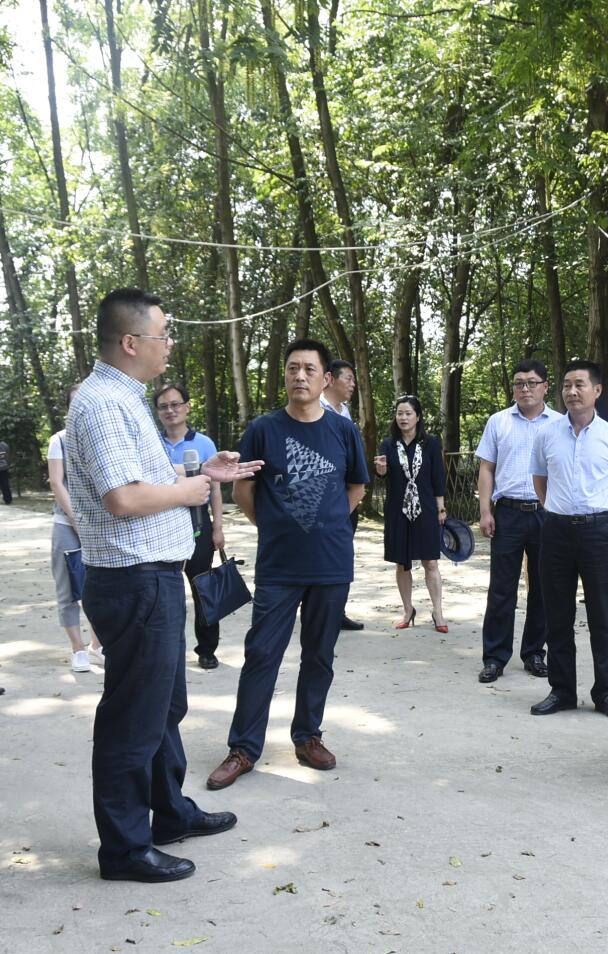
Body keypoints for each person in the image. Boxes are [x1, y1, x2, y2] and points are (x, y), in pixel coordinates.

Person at [65, 287, 260, 883]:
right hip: (133, 581)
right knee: (133, 718)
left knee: (163, 708)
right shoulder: (103, 403)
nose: (170, 343)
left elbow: (138, 474)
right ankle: (125, 849)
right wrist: (186, 492)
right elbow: (122, 498)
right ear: (131, 342)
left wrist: (202, 472)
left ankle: (169, 812)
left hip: (151, 578)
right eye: (162, 334)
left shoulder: (124, 398)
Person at [207, 339, 369, 790]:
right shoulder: (263, 429)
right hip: (278, 565)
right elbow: (243, 491)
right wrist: (278, 527)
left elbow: (356, 487)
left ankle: (308, 737)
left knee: (319, 655)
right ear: (285, 375)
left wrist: (327, 525)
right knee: (262, 654)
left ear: (325, 379)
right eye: (293, 368)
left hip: (331, 564)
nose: (300, 376)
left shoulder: (343, 431)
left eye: (309, 369)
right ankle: (244, 748)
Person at [529, 360, 608, 719]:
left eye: (580, 385)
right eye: (567, 385)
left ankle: (607, 692)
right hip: (556, 530)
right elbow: (540, 480)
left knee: (602, 614)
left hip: (599, 532)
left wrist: (601, 516)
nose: (572, 392)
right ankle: (562, 690)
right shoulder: (546, 434)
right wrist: (557, 510)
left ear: (597, 391)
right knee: (557, 615)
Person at [474, 360, 559, 683]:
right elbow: (487, 468)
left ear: (545, 387)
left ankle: (534, 652)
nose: (525, 388)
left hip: (546, 513)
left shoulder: (560, 424)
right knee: (501, 588)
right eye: (519, 383)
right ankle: (495, 657)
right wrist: (485, 511)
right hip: (507, 512)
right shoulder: (498, 421)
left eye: (532, 382)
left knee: (543, 587)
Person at [154, 382, 225, 669]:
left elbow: (216, 489)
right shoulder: (152, 444)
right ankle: (168, 650)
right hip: (160, 525)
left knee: (202, 589)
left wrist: (217, 528)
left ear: (187, 407)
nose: (170, 410)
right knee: (165, 593)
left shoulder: (204, 444)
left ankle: (207, 649)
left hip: (198, 524)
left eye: (175, 404)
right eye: (163, 406)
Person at [372, 395, 449, 631]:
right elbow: (383, 476)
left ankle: (438, 612)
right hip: (397, 510)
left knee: (431, 562)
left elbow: (438, 476)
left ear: (418, 416)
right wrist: (380, 470)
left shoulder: (431, 443)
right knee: (401, 564)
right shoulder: (388, 444)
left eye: (408, 413)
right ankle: (408, 610)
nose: (403, 417)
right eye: (399, 413)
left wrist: (441, 508)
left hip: (426, 509)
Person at [47, 383, 105, 672]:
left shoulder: (104, 438)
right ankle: (77, 649)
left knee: (100, 586)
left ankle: (96, 646)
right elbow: (57, 483)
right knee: (69, 588)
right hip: (67, 524)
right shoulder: (59, 439)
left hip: (100, 524)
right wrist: (76, 520)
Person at [322, 358, 365, 632]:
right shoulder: (315, 409)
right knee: (318, 556)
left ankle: (337, 611)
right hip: (323, 498)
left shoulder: (345, 412)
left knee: (342, 555)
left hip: (347, 495)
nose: (353, 384)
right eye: (348, 378)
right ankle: (317, 611)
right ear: (330, 379)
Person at [0, 438, 11, 503]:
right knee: (5, 484)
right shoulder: (5, 444)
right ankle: (8, 499)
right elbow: (7, 456)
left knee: (4, 484)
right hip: (4, 467)